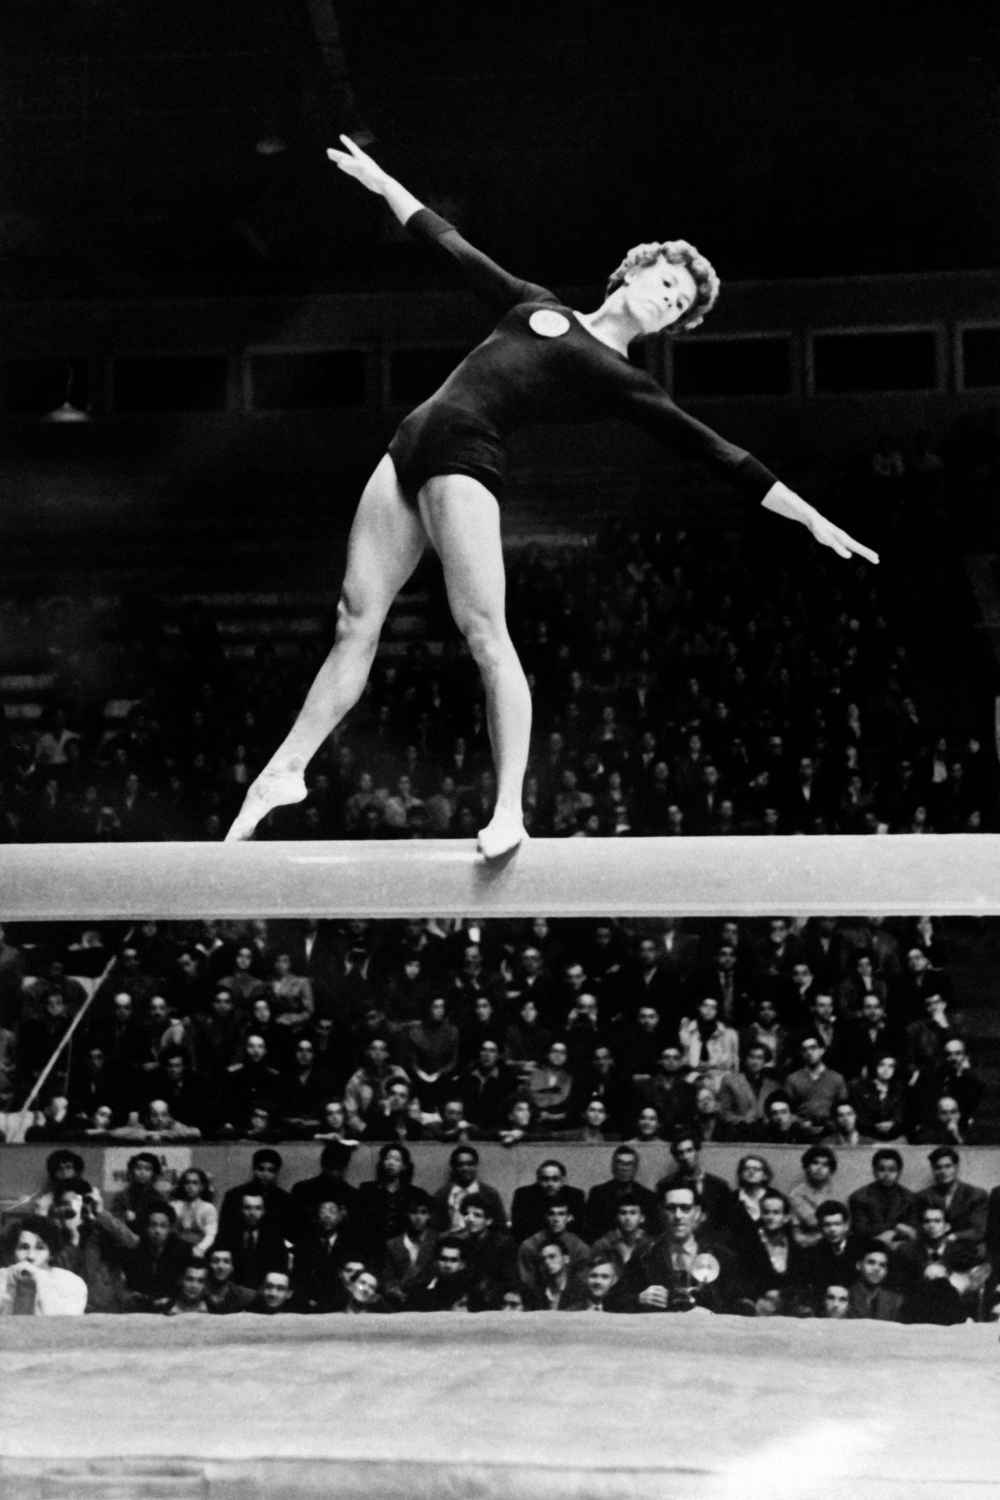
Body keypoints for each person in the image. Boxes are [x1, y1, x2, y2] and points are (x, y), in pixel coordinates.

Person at [226, 136, 876, 857]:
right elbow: (452, 247)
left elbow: (717, 451)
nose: (669, 298)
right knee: (355, 619)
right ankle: (285, 770)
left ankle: (509, 811)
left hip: (465, 460)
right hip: (407, 447)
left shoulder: (623, 379)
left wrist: (809, 516)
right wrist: (382, 182)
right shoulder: (539, 306)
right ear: (634, 270)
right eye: (667, 282)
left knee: (485, 634)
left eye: (680, 304)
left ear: (670, 326)